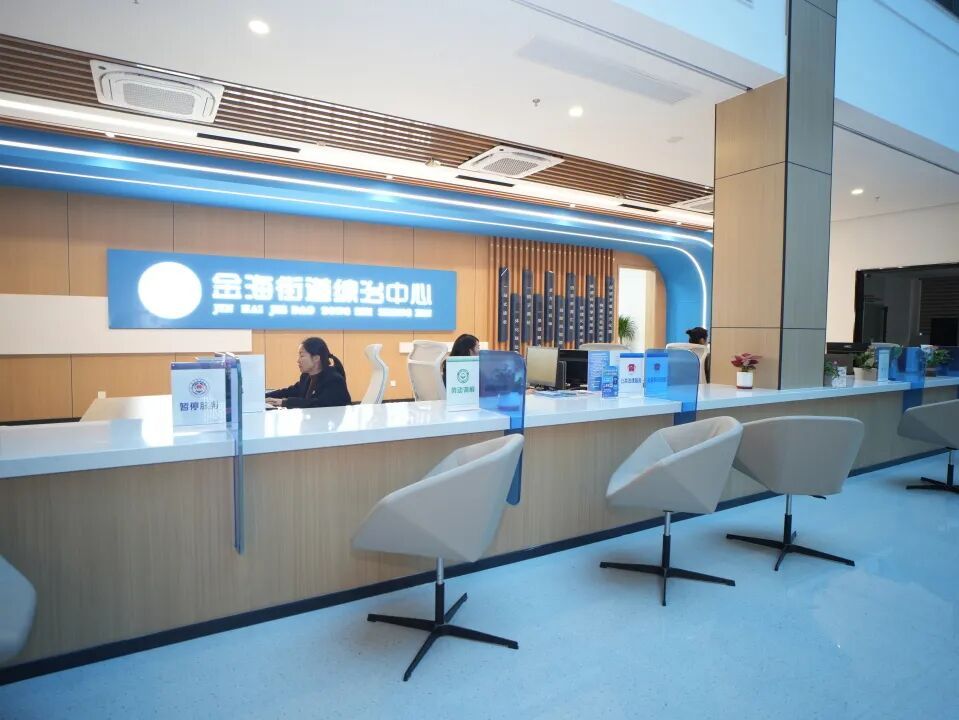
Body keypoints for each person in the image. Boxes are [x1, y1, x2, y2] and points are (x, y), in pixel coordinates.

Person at [266, 337, 351, 408]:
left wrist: (284, 402)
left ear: (316, 358)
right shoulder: (306, 376)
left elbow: (317, 404)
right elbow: (291, 391)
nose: (298, 360)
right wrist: (264, 396)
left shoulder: (334, 380)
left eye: (302, 356)